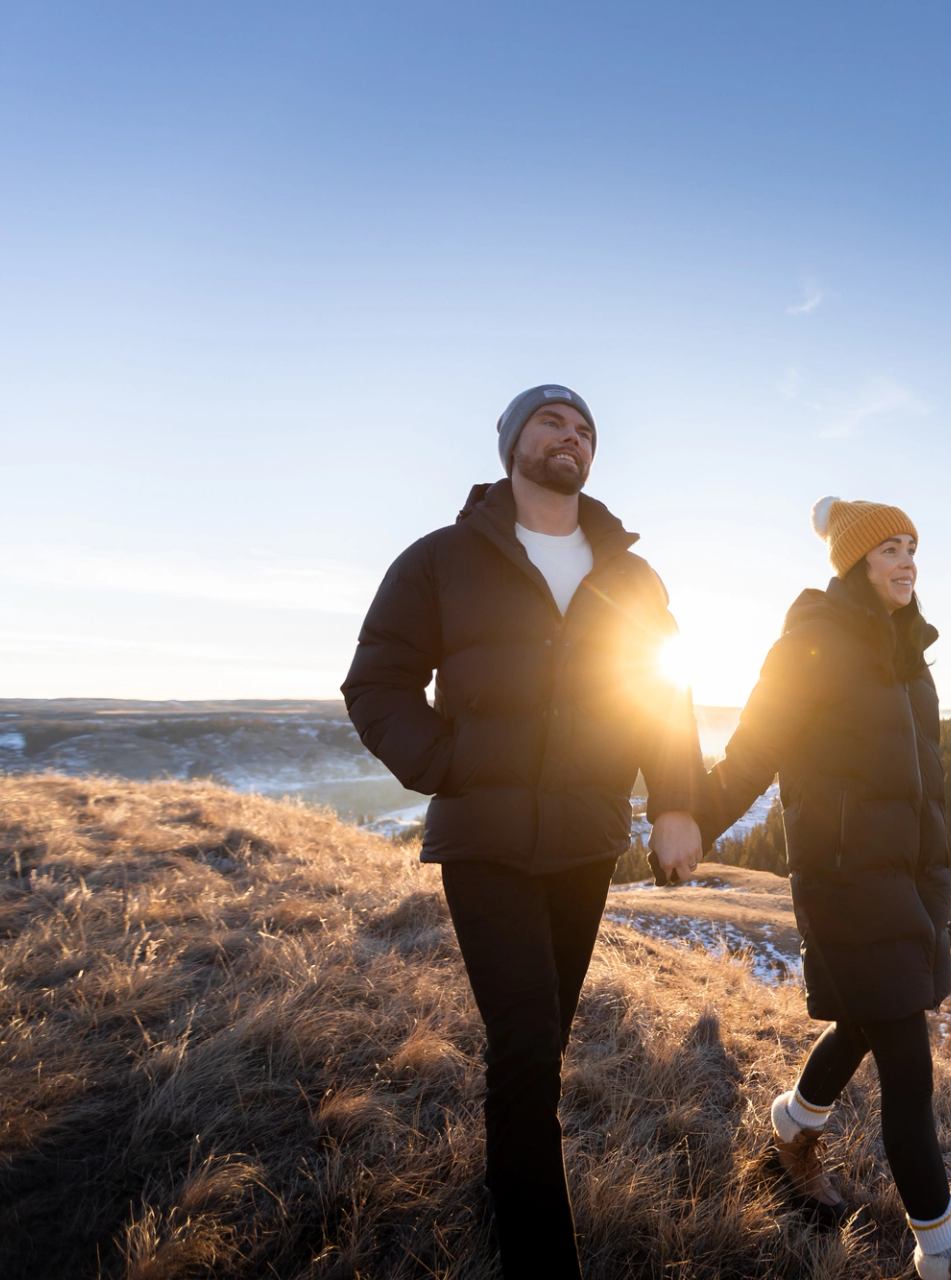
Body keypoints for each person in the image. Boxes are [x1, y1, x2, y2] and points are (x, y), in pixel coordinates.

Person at [341, 384, 703, 1279]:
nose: (571, 437)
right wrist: (447, 765)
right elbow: (377, 682)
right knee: (527, 1034)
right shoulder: (441, 559)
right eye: (552, 421)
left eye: (585, 429)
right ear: (512, 443)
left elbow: (664, 692)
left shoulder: (630, 573)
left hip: (584, 838)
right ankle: (543, 1257)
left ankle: (507, 1178)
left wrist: (675, 803)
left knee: (542, 1038)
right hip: (486, 837)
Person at [694, 497, 951, 1280]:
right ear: (855, 562)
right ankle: (942, 1248)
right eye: (891, 548)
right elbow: (755, 747)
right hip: (847, 875)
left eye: (913, 549)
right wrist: (695, 819)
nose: (908, 562)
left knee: (869, 1018)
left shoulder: (905, 648)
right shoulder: (814, 641)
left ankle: (793, 1125)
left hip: (911, 874)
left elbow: (919, 774)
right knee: (906, 1059)